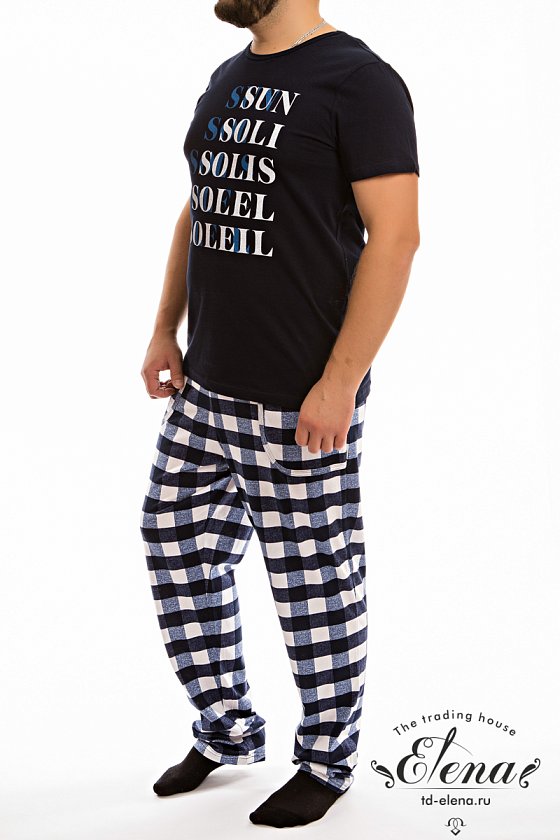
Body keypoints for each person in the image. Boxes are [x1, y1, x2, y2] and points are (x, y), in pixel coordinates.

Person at [139, 0, 420, 828]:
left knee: (314, 585)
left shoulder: (361, 82)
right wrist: (164, 327)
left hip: (297, 399)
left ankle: (327, 762)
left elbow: (396, 237)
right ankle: (226, 731)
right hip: (204, 388)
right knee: (175, 546)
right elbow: (201, 207)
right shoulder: (230, 76)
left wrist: (340, 381)